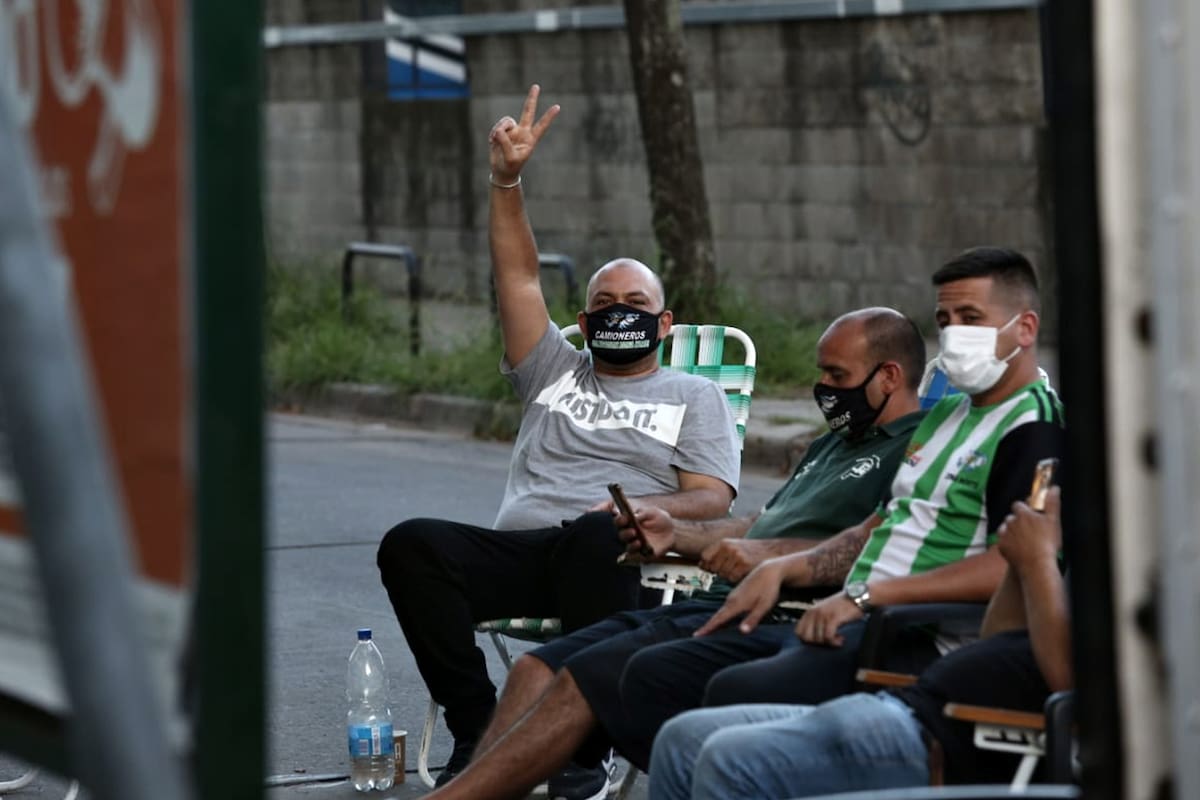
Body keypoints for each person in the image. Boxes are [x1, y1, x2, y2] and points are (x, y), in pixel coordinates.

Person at [422, 246, 1064, 800]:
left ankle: (573, 764)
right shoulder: (947, 421)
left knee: (646, 687)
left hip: (883, 629)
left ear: (1025, 325)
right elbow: (872, 527)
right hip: (799, 601)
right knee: (552, 668)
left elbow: (1014, 563)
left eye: (971, 320)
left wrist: (846, 591)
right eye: (945, 320)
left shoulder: (1027, 427)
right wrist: (716, 546)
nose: (954, 336)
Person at [374, 84, 742, 793]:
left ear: (665, 325)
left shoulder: (695, 395)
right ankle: (479, 728)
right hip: (522, 552)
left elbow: (711, 498)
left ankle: (579, 749)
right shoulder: (553, 368)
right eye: (604, 304)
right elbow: (516, 273)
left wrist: (636, 511)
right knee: (412, 542)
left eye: (637, 305)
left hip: (610, 556)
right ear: (582, 318)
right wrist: (506, 180)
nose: (619, 314)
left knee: (595, 534)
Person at [649, 485, 1071, 798]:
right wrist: (1022, 565)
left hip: (946, 743)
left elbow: (1067, 679)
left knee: (729, 759)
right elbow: (997, 636)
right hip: (906, 705)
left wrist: (1038, 560)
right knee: (681, 739)